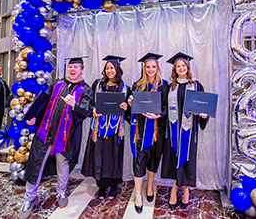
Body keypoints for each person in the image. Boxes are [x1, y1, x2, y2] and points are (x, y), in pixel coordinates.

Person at [20, 57, 93, 219]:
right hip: (45, 132)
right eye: (70, 67)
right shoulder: (58, 84)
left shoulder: (86, 89)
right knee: (35, 163)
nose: (72, 70)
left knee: (63, 163)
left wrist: (75, 104)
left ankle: (61, 192)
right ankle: (29, 198)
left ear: (82, 69)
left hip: (66, 136)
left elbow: (87, 110)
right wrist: (34, 117)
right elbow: (43, 103)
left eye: (76, 67)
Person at [161, 52, 208, 210]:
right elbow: (164, 110)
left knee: (187, 159)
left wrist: (203, 114)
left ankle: (186, 189)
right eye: (178, 66)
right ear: (175, 69)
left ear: (188, 68)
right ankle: (175, 187)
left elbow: (203, 106)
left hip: (188, 132)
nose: (181, 68)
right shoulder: (169, 87)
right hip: (173, 131)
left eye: (184, 66)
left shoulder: (196, 85)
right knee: (174, 157)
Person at [81, 55, 130, 201]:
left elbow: (128, 109)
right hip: (99, 128)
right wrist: (92, 110)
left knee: (114, 156)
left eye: (112, 68)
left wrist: (126, 107)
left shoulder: (125, 87)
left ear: (117, 69)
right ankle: (101, 186)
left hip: (115, 129)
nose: (109, 71)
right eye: (107, 68)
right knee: (100, 156)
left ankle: (114, 186)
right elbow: (89, 102)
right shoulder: (97, 84)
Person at [127, 53, 168, 213]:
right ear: (144, 68)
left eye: (153, 66)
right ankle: (138, 194)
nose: (150, 69)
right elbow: (132, 108)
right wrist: (130, 102)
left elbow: (166, 107)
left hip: (157, 129)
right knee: (139, 161)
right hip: (140, 130)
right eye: (148, 66)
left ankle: (150, 186)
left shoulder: (164, 85)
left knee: (154, 159)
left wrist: (159, 114)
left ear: (157, 68)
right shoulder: (137, 85)